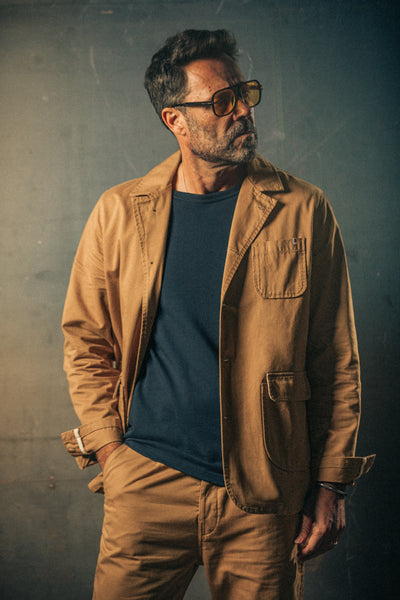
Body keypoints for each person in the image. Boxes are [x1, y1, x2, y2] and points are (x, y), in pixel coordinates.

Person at [61, 29, 374, 600]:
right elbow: (86, 341)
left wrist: (331, 484)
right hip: (146, 482)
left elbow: (336, 358)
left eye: (245, 93)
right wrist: (111, 452)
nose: (243, 111)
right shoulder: (119, 212)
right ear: (175, 120)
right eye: (222, 101)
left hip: (265, 491)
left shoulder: (303, 209)